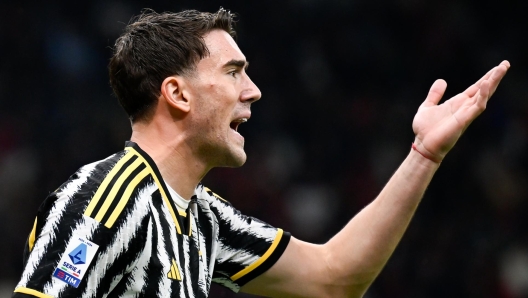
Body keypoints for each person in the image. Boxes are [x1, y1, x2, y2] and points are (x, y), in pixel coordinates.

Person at [12, 7, 509, 298]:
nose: (253, 91)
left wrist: (423, 155)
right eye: (233, 72)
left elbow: (335, 278)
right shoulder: (101, 204)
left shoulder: (204, 217)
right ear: (177, 94)